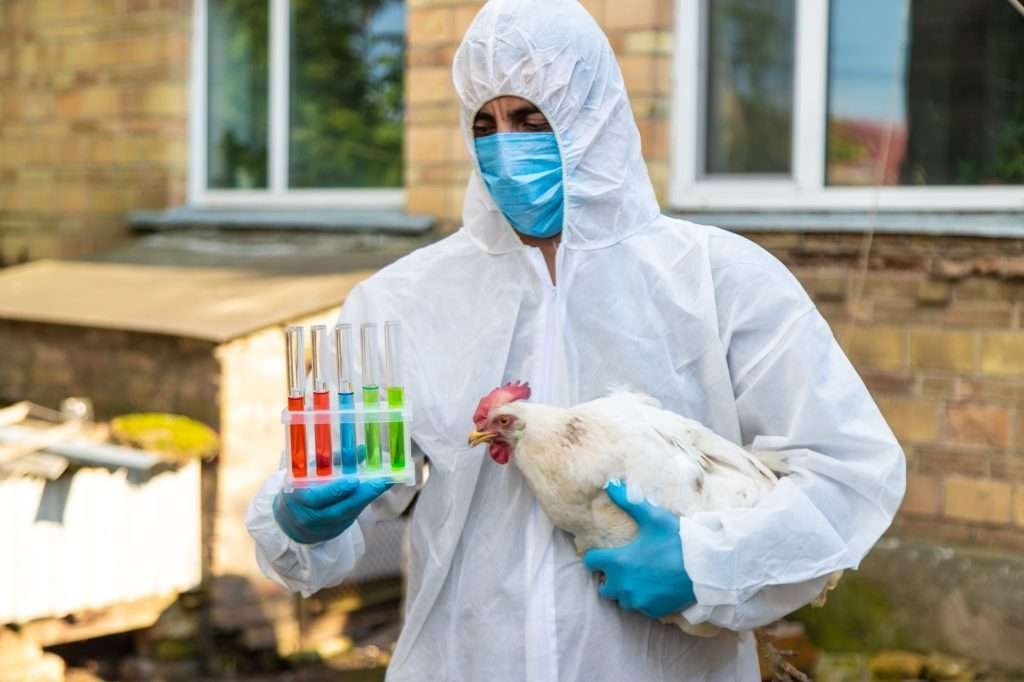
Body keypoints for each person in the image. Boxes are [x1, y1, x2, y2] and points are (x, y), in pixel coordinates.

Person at [246, 1, 906, 679]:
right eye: (486, 124)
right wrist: (300, 518)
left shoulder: (717, 280)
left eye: (531, 119)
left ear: (594, 116)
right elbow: (346, 493)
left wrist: (706, 564)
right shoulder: (404, 300)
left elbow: (848, 473)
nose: (505, 145)